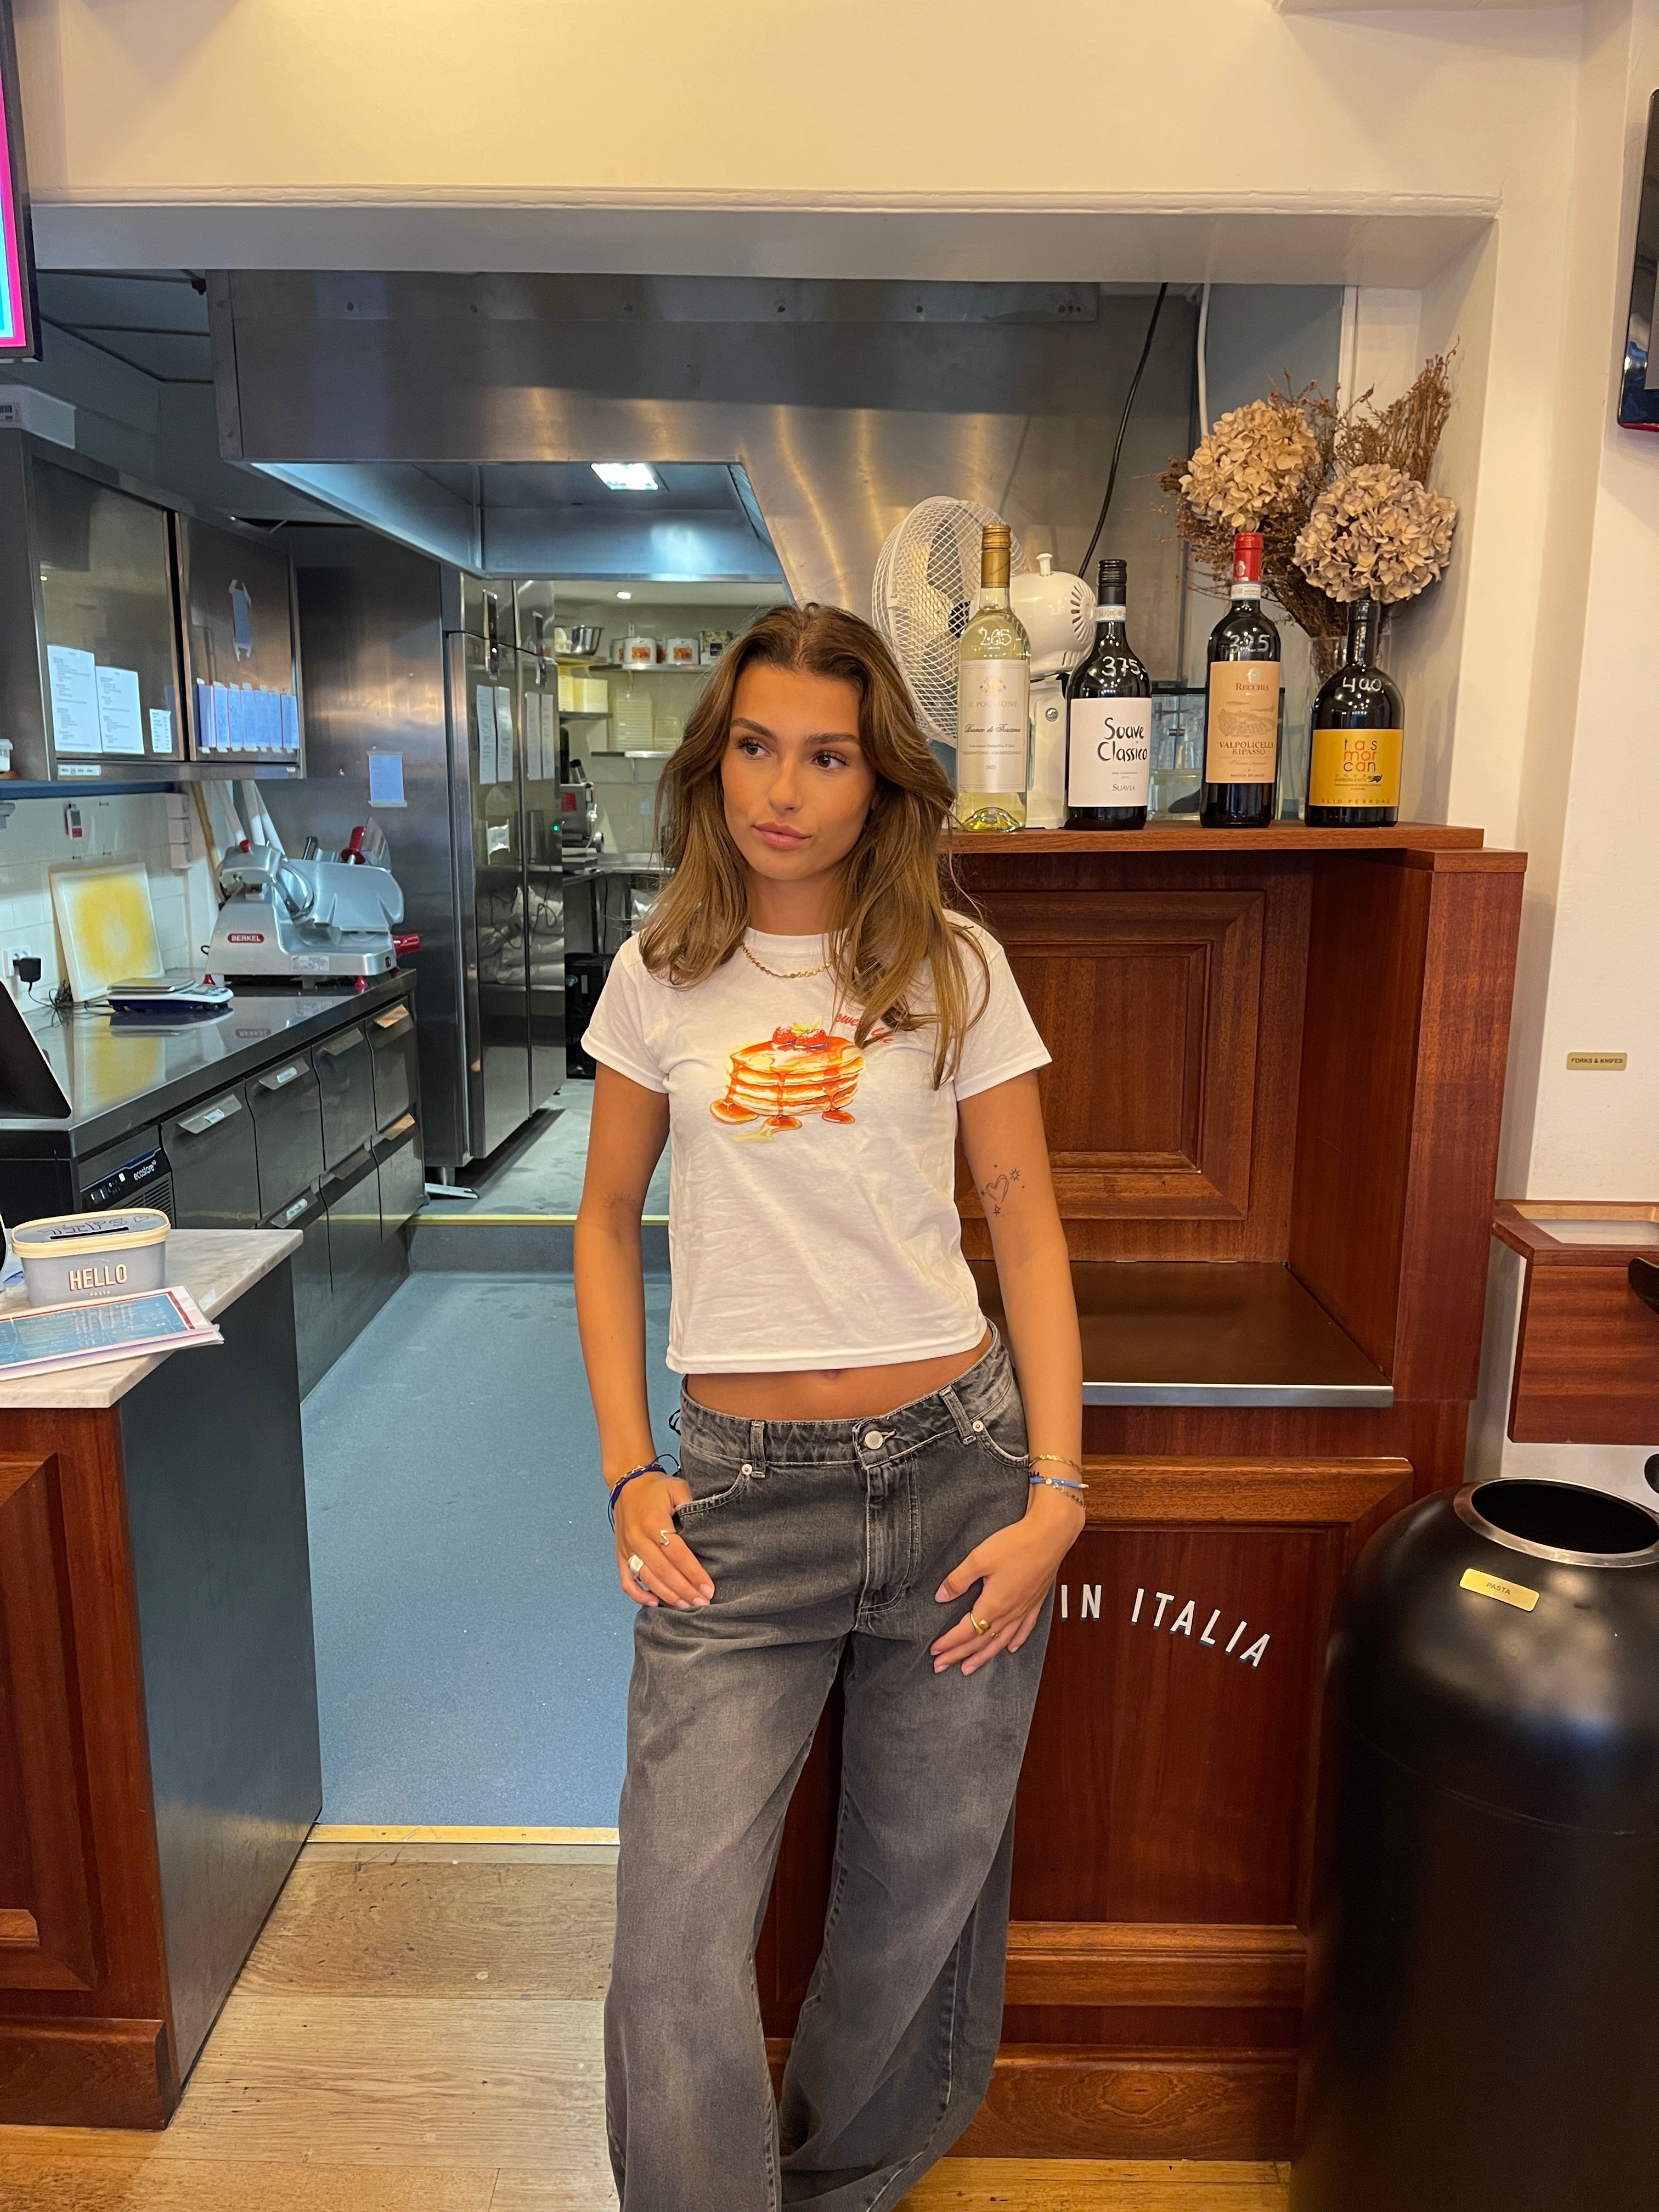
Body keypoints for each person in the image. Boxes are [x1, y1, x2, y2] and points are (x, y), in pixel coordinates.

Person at [575, 601, 1085, 2212]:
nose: (782, 790)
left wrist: (1059, 1494)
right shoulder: (659, 974)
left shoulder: (955, 968)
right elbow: (602, 1222)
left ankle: (843, 2189)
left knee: (916, 1895)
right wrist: (628, 1469)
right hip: (739, 1502)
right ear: (713, 759)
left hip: (959, 1476)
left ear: (882, 784)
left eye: (826, 756)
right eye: (754, 746)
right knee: (673, 1935)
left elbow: (1026, 1225)